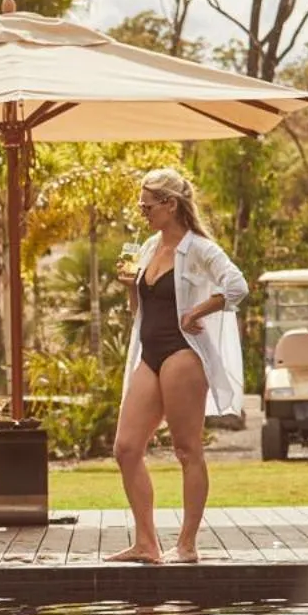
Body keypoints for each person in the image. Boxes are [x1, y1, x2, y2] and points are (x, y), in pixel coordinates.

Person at [107, 168, 249, 565]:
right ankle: (147, 543)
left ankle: (187, 545)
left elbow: (237, 286)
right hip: (148, 352)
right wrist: (130, 289)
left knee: (186, 450)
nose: (142, 212)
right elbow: (140, 308)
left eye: (147, 205)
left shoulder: (200, 248)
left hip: (182, 352)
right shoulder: (150, 246)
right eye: (140, 205)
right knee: (126, 448)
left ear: (170, 205)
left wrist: (199, 310)